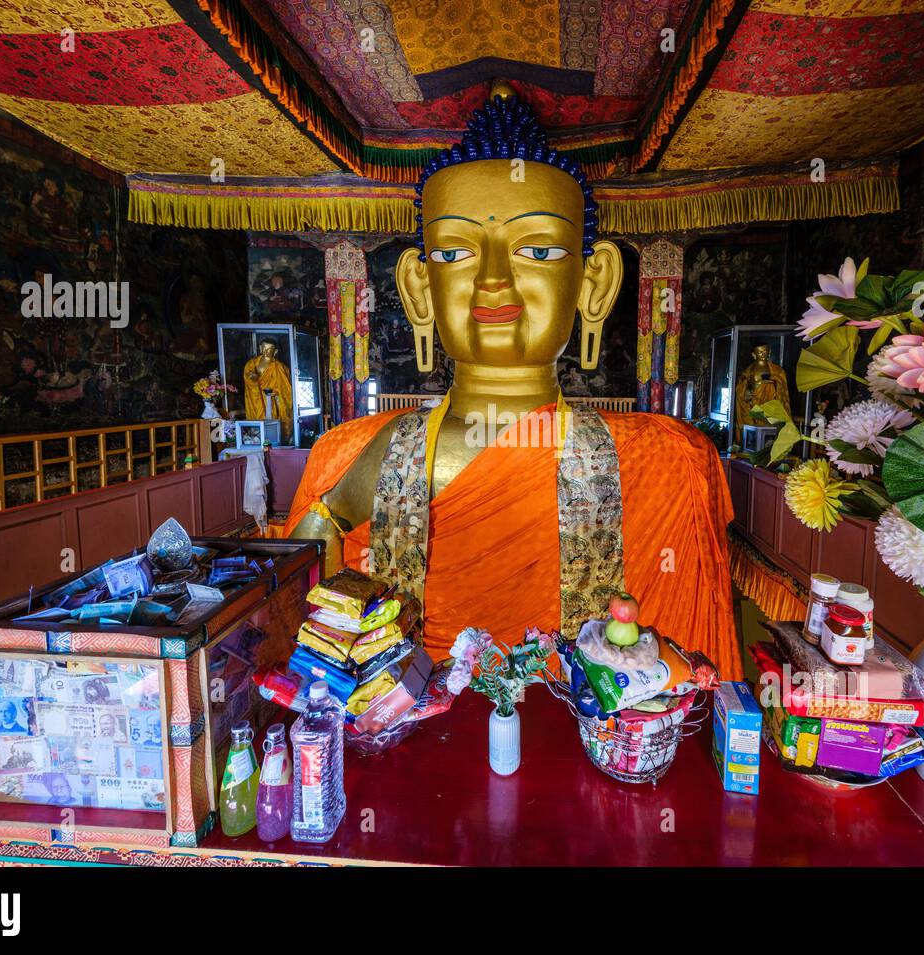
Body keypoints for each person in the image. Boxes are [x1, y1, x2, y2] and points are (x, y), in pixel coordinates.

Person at [284, 84, 739, 678]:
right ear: (420, 290)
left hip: (583, 736)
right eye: (454, 255)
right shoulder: (347, 452)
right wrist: (334, 509)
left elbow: (688, 667)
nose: (494, 280)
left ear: (594, 283)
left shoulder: (670, 460)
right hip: (406, 725)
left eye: (540, 252)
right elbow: (307, 613)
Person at [243, 339, 294, 442]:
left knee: (272, 419)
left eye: (270, 349)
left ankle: (274, 439)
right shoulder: (251, 364)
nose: (267, 351)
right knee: (256, 419)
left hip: (272, 400)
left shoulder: (279, 367)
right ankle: (256, 438)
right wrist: (252, 378)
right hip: (255, 398)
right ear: (260, 348)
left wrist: (274, 393)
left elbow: (285, 388)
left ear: (275, 351)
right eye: (264, 348)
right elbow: (248, 380)